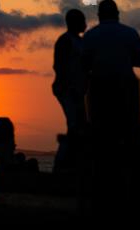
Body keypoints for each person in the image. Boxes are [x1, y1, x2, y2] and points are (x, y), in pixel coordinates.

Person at [82, 0, 140, 230]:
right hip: (126, 94)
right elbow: (139, 62)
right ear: (117, 15)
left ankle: (103, 195)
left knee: (102, 146)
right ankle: (131, 189)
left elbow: (84, 64)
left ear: (98, 16)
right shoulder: (130, 33)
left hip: (99, 97)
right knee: (129, 142)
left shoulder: (91, 35)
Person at [52, 9, 87, 173]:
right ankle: (60, 165)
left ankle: (72, 165)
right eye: (82, 20)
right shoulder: (65, 41)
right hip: (67, 89)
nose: (85, 23)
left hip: (78, 90)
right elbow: (59, 67)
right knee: (74, 125)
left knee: (78, 125)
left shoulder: (80, 41)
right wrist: (70, 87)